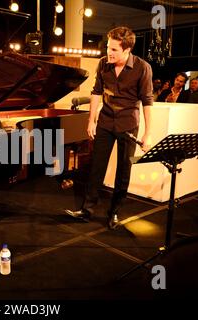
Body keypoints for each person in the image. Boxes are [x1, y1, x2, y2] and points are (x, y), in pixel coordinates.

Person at [65, 26, 152, 229]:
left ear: (127, 50)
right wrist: (91, 120)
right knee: (96, 167)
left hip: (128, 123)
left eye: (114, 50)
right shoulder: (103, 64)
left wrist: (148, 134)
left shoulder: (142, 67)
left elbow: (147, 101)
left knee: (124, 170)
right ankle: (87, 210)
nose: (108, 53)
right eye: (108, 48)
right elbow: (96, 92)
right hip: (105, 120)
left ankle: (114, 212)